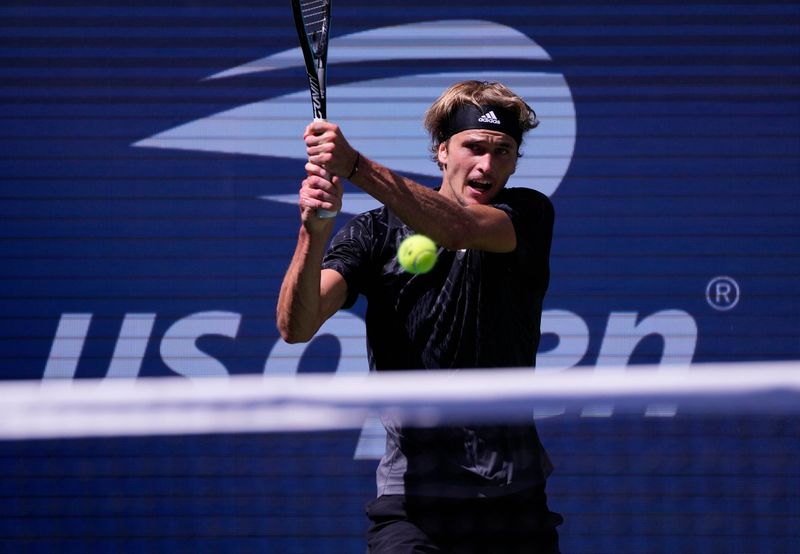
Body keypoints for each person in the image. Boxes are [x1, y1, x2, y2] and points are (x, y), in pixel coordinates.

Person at [277, 80, 562, 553]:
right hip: (412, 503)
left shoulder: (527, 214)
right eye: (474, 146)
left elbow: (458, 229)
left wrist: (353, 165)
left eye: (503, 151)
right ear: (442, 151)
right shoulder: (373, 233)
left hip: (514, 501)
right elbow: (296, 326)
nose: (487, 165)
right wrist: (315, 231)